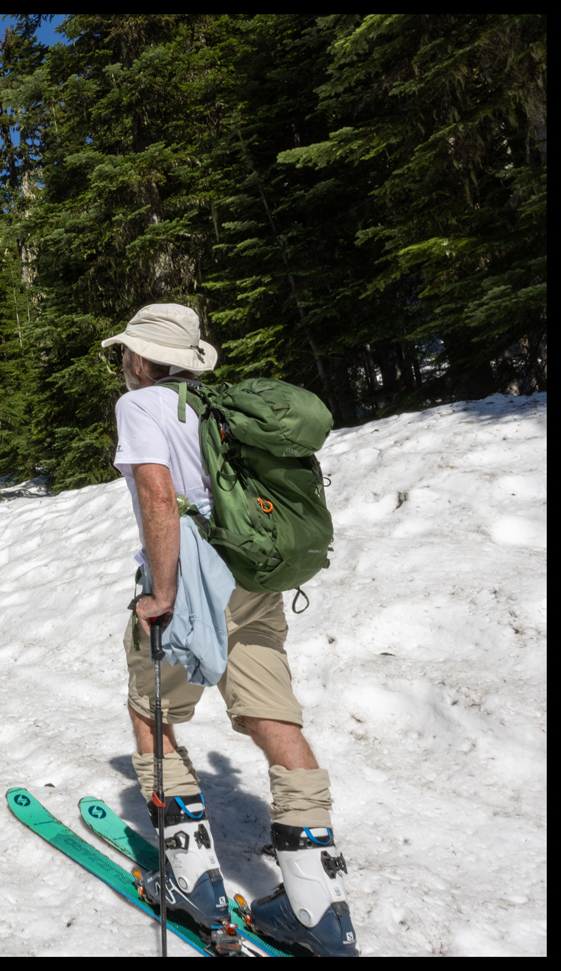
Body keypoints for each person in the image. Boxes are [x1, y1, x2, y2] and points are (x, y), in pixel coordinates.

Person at [100, 304, 358, 957]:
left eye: (125, 351)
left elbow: (159, 498)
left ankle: (191, 882)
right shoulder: (215, 407)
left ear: (141, 358)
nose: (122, 361)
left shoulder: (140, 405)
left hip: (190, 580)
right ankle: (317, 907)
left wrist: (162, 593)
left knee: (152, 712)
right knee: (275, 719)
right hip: (252, 578)